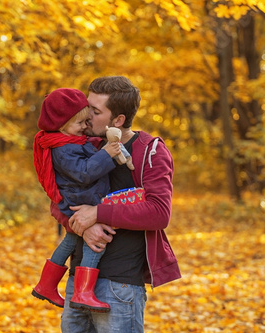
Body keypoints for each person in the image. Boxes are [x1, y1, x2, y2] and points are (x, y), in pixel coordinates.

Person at [50, 76, 181, 332]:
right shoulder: (83, 147)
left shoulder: (149, 151)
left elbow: (159, 213)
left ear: (118, 121)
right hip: (77, 278)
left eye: (95, 111)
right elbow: (57, 201)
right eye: (88, 107)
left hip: (119, 285)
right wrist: (82, 225)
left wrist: (98, 213)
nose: (86, 116)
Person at [32, 88, 121, 313]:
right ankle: (83, 292)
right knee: (95, 239)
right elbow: (83, 172)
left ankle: (46, 285)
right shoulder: (63, 148)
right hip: (81, 200)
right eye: (80, 123)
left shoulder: (68, 141)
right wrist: (107, 153)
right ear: (62, 125)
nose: (85, 127)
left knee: (71, 241)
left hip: (79, 198)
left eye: (86, 121)